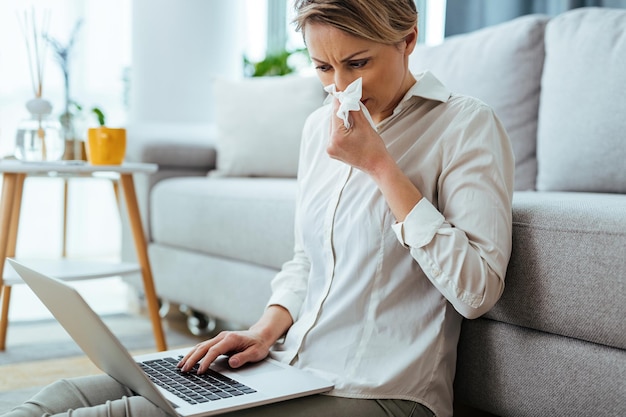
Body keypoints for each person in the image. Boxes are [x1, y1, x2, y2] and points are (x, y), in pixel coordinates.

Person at [3, 1, 514, 416]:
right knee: (70, 394)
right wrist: (265, 328)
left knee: (136, 413)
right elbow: (307, 260)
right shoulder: (322, 127)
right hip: (289, 367)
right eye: (322, 67)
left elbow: (476, 291)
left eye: (357, 63)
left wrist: (382, 169)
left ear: (407, 40)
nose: (340, 87)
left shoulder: (466, 126)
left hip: (378, 390)